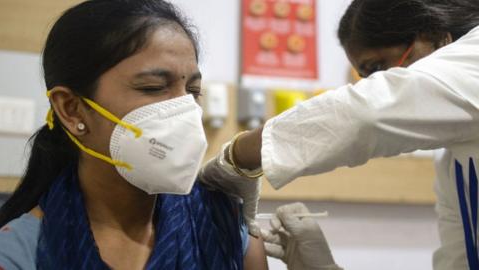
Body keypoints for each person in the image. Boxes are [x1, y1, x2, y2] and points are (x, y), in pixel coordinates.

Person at [199, 0, 479, 269]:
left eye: (378, 70)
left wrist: (236, 157)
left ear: (438, 39)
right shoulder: (454, 159)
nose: (375, 85)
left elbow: (366, 113)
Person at [0, 0, 268, 269]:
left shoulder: (226, 229)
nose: (186, 112)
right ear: (72, 110)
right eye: (153, 87)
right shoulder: (17, 255)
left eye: (193, 91)